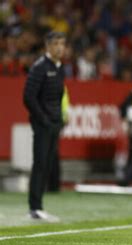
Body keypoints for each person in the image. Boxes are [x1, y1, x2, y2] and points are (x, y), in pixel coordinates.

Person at [23, 31, 67, 221]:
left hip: (54, 124)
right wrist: (44, 119)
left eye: (62, 44)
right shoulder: (40, 67)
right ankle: (34, 207)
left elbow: (58, 97)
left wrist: (58, 120)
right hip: (43, 125)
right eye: (56, 44)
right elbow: (28, 97)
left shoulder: (59, 68)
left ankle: (38, 206)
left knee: (47, 164)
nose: (60, 47)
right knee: (40, 164)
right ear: (47, 46)